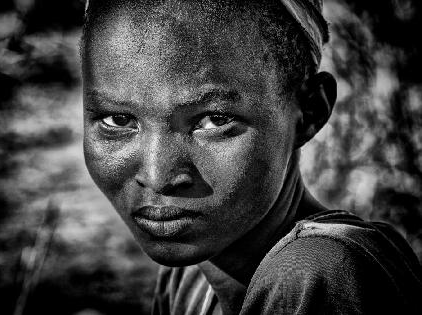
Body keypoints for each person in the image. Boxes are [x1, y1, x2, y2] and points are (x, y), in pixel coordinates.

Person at [80, 0, 422, 314]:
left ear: (310, 112)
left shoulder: (313, 274)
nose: (156, 175)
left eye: (214, 120)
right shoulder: (191, 282)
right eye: (118, 120)